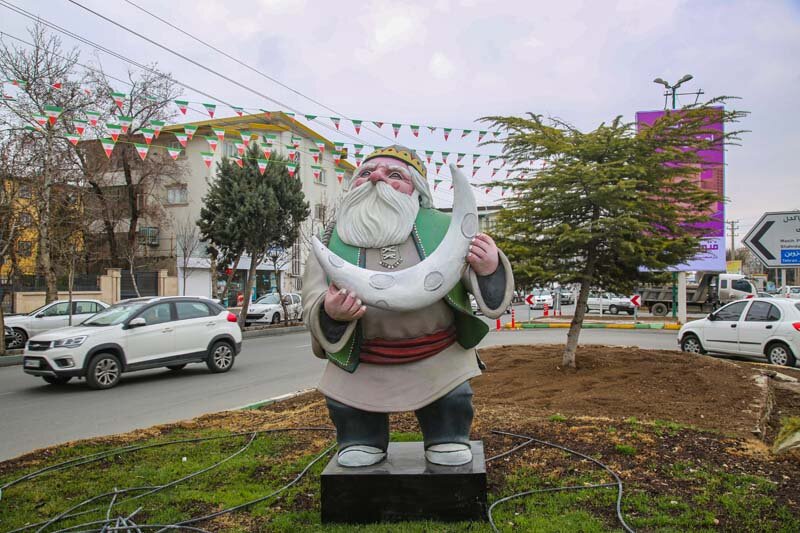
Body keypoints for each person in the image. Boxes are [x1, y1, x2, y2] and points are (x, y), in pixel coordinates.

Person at [303, 145, 513, 467]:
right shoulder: (331, 237)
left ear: (416, 188)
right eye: (365, 173)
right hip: (365, 356)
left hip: (437, 356)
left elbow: (477, 281)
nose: (376, 178)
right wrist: (331, 312)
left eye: (394, 175)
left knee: (451, 399)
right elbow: (314, 295)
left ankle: (447, 435)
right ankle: (361, 438)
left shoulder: (446, 229)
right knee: (349, 405)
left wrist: (487, 268)